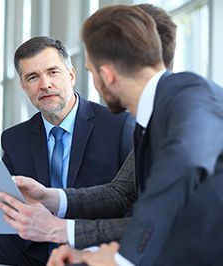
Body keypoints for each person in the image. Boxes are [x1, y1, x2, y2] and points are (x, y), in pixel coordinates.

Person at [47, 5, 223, 266]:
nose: (94, 82)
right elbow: (138, 202)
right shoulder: (147, 121)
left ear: (107, 76)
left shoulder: (189, 91)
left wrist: (121, 259)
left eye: (92, 72)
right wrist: (88, 256)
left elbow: (185, 159)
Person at [0, 2, 177, 250]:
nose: (93, 79)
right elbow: (120, 193)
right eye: (34, 77)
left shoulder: (180, 111)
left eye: (92, 69)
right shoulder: (158, 115)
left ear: (110, 71)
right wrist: (49, 197)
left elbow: (168, 221)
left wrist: (64, 233)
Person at [0, 36, 134, 265]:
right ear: (23, 86)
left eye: (53, 72)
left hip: (92, 246)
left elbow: (128, 203)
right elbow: (7, 202)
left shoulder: (118, 125)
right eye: (33, 77)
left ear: (71, 75)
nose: (45, 84)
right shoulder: (14, 138)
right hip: (34, 248)